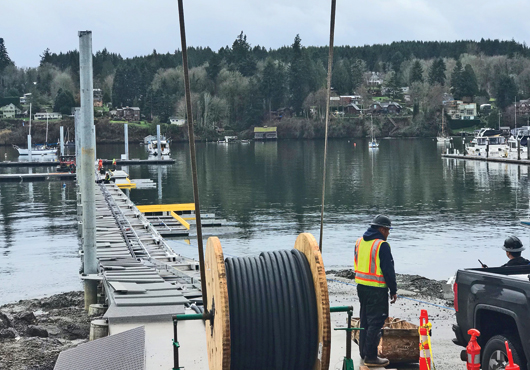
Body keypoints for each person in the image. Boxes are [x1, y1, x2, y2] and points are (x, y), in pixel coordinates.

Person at [354, 214, 398, 367]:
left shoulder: (359, 242)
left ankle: (364, 352)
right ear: (381, 229)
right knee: (376, 322)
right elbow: (388, 270)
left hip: (361, 287)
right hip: (376, 289)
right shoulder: (382, 245)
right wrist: (393, 290)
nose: (388, 233)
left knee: (365, 319)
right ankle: (371, 357)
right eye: (387, 230)